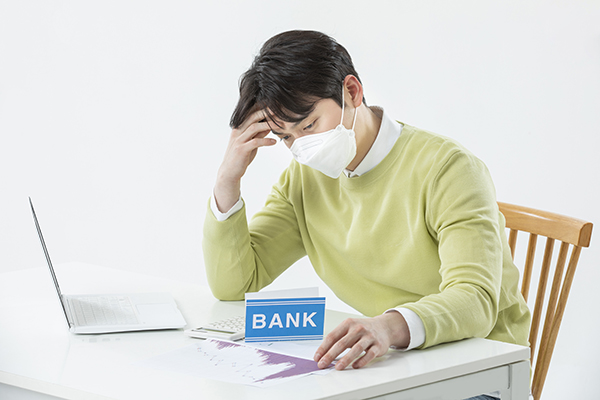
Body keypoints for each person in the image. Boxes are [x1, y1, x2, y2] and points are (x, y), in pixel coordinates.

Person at [203, 30, 531, 400]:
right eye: (287, 137)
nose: (303, 147)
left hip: (478, 370)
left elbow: (475, 300)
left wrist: (387, 327)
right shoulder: (305, 180)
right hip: (388, 368)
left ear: (352, 92)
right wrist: (227, 179)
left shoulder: (448, 168)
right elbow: (235, 283)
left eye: (309, 125)